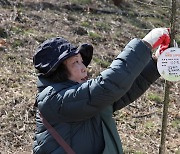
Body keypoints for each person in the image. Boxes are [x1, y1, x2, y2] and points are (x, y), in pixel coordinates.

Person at [32, 28, 170, 154]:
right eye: (75, 62)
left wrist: (156, 62)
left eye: (82, 62)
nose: (84, 68)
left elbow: (122, 90)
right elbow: (108, 85)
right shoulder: (55, 100)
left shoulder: (84, 98)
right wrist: (146, 44)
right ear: (59, 71)